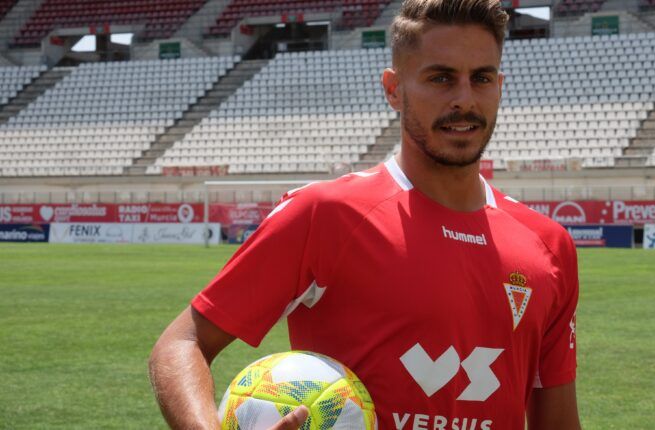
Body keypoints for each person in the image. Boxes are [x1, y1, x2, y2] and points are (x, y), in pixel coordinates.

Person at [149, 0, 582, 429]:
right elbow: (182, 342)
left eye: (481, 78)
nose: (464, 99)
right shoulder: (326, 215)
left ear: (499, 86)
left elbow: (558, 421)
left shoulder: (548, 244)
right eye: (441, 78)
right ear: (394, 89)